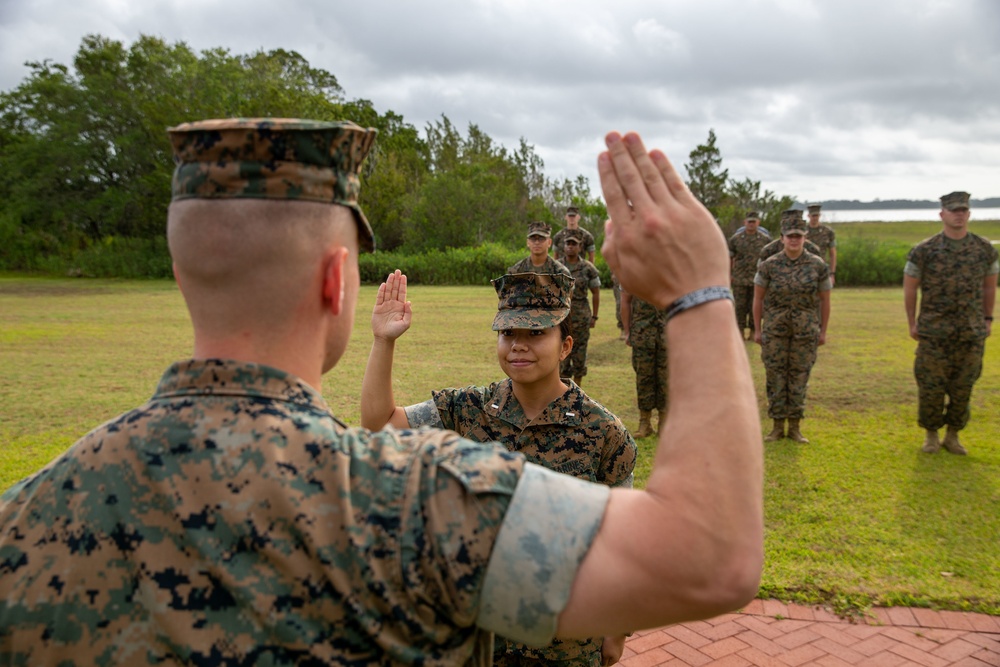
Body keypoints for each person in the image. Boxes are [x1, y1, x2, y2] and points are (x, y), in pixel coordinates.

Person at [0, 123, 763, 665]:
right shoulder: (421, 502)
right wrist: (699, 289)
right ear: (337, 280)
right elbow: (711, 558)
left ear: (182, 274)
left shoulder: (24, 518)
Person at [361, 270, 635, 666]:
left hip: (565, 640)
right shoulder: (468, 409)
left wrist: (616, 628)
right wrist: (383, 341)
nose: (518, 346)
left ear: (565, 346)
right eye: (508, 334)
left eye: (536, 334)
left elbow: (620, 540)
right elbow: (380, 423)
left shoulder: (603, 432)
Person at [903, 191, 998, 455]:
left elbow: (990, 288)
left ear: (968, 214)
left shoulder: (983, 249)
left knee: (963, 386)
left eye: (963, 210)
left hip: (971, 331)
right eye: (954, 210)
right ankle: (931, 435)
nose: (959, 214)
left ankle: (953, 436)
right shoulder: (925, 250)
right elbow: (910, 289)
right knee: (930, 385)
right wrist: (912, 322)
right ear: (942, 214)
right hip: (934, 331)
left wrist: (988, 319)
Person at [753, 214, 832, 443]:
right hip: (775, 331)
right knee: (776, 377)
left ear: (805, 238)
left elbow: (825, 300)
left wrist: (823, 331)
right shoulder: (769, 265)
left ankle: (795, 426)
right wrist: (757, 329)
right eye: (790, 236)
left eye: (798, 236)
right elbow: (758, 299)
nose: (794, 240)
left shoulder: (817, 265)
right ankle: (777, 426)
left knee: (799, 377)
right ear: (782, 238)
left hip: (805, 332)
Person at [620, 288, 668, 438]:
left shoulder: (673, 268)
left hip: (667, 333)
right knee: (643, 378)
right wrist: (627, 331)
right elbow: (626, 301)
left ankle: (664, 423)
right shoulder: (635, 269)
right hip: (642, 333)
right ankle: (645, 423)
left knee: (666, 379)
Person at [560, 229, 602, 385]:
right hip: (562, 317)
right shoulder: (556, 267)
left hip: (582, 317)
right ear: (564, 246)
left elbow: (596, 293)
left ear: (580, 247)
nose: (570, 246)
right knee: (561, 355)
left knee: (579, 355)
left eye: (574, 244)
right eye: (568, 243)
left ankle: (577, 389)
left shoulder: (588, 268)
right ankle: (563, 390)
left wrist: (594, 316)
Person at [729, 210, 771, 340]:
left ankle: (754, 331)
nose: (751, 224)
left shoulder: (765, 240)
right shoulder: (735, 239)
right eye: (749, 222)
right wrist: (729, 274)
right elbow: (730, 258)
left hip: (758, 278)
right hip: (740, 278)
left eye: (754, 222)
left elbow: (769, 260)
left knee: (756, 306)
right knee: (740, 307)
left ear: (758, 222)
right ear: (745, 222)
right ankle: (740, 331)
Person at [806, 204, 838, 286]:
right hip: (805, 269)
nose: (815, 218)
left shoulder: (828, 232)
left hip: (822, 268)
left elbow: (832, 254)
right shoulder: (803, 232)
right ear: (808, 216)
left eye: (816, 215)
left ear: (820, 215)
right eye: (813, 216)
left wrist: (832, 273)